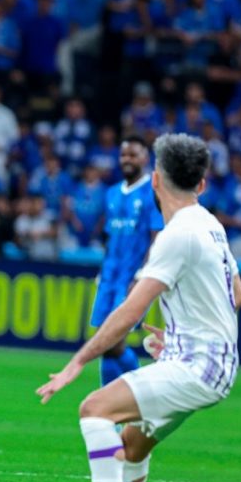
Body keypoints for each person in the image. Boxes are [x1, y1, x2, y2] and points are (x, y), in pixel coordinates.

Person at [37, 133, 241, 482]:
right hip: (213, 363)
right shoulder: (210, 224)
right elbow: (237, 296)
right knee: (133, 445)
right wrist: (182, 335)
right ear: (201, 184)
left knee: (94, 409)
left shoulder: (176, 235)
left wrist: (78, 361)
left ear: (154, 179)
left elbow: (132, 310)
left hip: (199, 367)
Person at [89, 135, 162, 387]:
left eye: (133, 154)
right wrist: (103, 271)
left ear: (145, 158)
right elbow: (110, 237)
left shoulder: (152, 193)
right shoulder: (111, 193)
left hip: (132, 277)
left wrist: (142, 276)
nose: (127, 159)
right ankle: (112, 402)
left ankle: (139, 390)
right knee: (104, 341)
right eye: (123, 155)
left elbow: (156, 238)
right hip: (109, 276)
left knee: (112, 340)